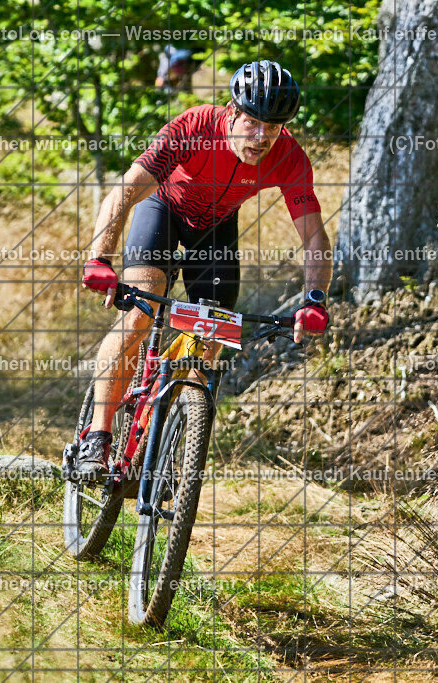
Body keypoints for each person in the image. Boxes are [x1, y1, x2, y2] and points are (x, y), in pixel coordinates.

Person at [76, 60, 332, 480]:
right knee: (140, 313)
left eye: (274, 126)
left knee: (213, 336)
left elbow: (315, 239)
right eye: (252, 123)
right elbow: (123, 193)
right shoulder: (193, 127)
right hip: (163, 211)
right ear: (232, 112)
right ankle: (98, 439)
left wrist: (315, 300)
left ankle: (175, 442)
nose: (262, 137)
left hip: (215, 231)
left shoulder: (289, 156)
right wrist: (99, 259)